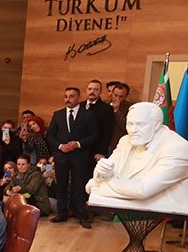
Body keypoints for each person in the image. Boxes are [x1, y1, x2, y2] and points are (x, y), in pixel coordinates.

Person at [86, 101, 188, 215]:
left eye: (140, 124)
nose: (133, 130)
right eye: (130, 124)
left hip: (163, 204)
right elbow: (106, 169)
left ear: (156, 125)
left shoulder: (178, 148)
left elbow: (142, 190)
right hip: (134, 200)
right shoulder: (126, 140)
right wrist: (102, 172)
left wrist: (102, 184)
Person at [46, 87, 97, 228]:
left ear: (78, 98)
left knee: (79, 185)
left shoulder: (87, 115)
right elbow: (50, 135)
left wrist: (78, 144)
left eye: (71, 96)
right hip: (61, 156)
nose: (67, 99)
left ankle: (82, 214)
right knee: (61, 184)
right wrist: (60, 146)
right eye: (66, 96)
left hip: (79, 156)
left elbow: (94, 136)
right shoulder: (58, 115)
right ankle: (61, 213)